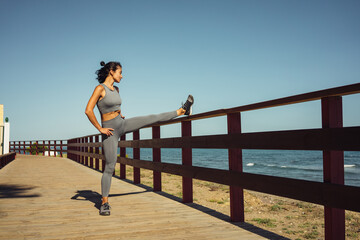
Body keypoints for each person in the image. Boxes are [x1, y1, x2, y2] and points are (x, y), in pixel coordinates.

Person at [85, 61, 194, 216]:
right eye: (120, 72)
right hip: (110, 131)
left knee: (152, 118)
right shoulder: (99, 89)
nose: (122, 76)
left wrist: (119, 113)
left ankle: (183, 110)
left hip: (122, 123)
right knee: (110, 166)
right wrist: (100, 128)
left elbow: (115, 106)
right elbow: (88, 110)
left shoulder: (116, 89)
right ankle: (104, 202)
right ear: (111, 71)